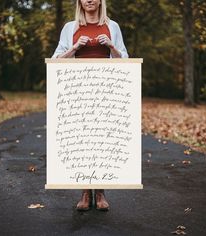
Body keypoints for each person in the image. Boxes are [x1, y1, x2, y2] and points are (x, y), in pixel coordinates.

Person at [52, 0, 129, 211]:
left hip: (105, 90)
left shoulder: (112, 26)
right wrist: (75, 47)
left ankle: (101, 192)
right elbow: (55, 60)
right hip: (78, 90)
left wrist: (111, 46)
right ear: (79, 2)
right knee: (82, 142)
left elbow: (125, 60)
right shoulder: (70, 27)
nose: (89, 0)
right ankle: (85, 193)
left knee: (101, 141)